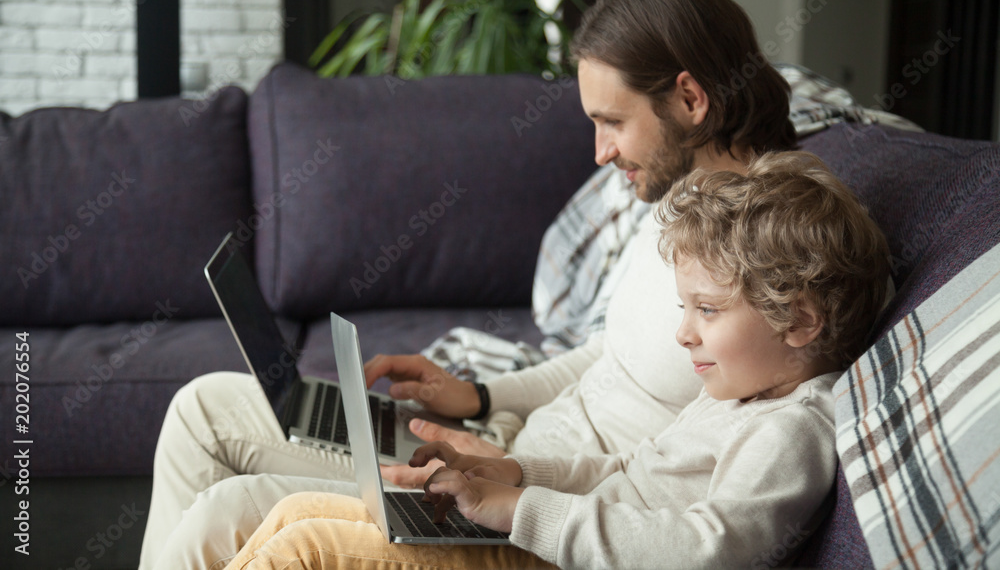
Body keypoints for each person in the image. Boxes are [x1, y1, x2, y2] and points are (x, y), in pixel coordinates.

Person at [139, 0, 797, 570]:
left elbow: (679, 490)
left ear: (690, 97)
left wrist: (513, 472)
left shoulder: (776, 248)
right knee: (201, 408)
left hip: (542, 491)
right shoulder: (686, 196)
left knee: (230, 509)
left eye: (612, 121)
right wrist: (481, 396)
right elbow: (610, 355)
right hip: (505, 443)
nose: (600, 153)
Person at [220, 150, 893, 569]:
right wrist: (508, 472)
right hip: (548, 532)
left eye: (707, 310)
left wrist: (520, 509)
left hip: (556, 555)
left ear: (800, 320)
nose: (683, 333)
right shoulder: (737, 392)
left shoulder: (790, 427)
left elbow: (708, 548)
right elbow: (625, 472)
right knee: (293, 516)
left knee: (302, 551)